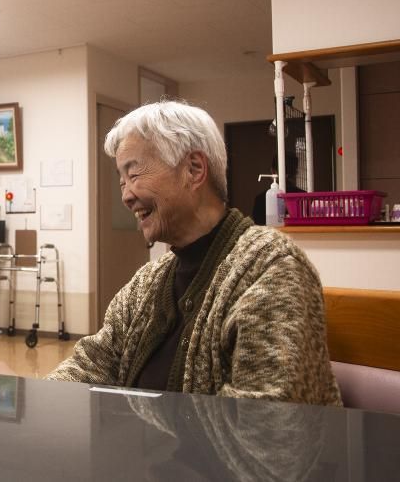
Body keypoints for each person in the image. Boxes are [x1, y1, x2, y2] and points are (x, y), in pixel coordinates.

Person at [47, 100, 341, 405]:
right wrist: (36, 403)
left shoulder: (273, 268)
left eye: (133, 175)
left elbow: (264, 420)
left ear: (194, 169)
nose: (126, 196)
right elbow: (92, 363)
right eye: (122, 182)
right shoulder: (147, 282)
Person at [251, 153, 306, 225]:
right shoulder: (304, 197)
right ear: (295, 173)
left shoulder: (260, 199)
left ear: (273, 171)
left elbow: (258, 226)